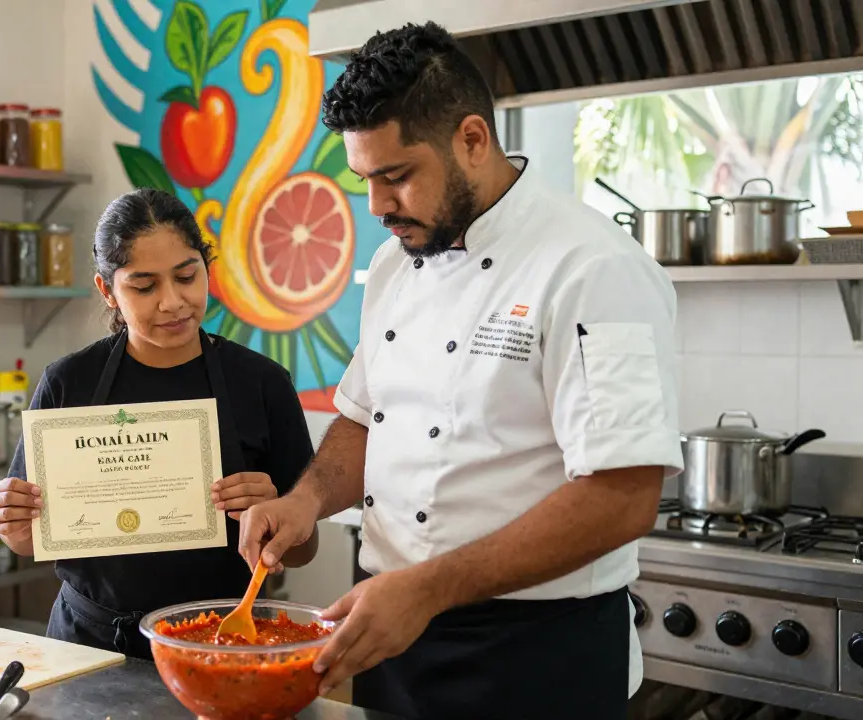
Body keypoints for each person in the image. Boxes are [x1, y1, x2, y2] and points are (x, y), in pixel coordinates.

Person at [237, 21, 683, 720]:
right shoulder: (393, 262)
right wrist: (304, 502)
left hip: (537, 659)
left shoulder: (594, 268)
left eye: (397, 176)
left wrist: (428, 588)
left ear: (473, 139)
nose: (378, 206)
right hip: (392, 636)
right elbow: (365, 415)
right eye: (365, 180)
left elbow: (623, 496)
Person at [0, 187, 319, 660]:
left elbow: (303, 551)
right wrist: (10, 518)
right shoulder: (68, 383)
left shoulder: (262, 383)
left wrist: (277, 513)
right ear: (108, 291)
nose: (172, 302)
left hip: (222, 639)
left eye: (187, 276)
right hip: (88, 645)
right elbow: (25, 540)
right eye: (144, 286)